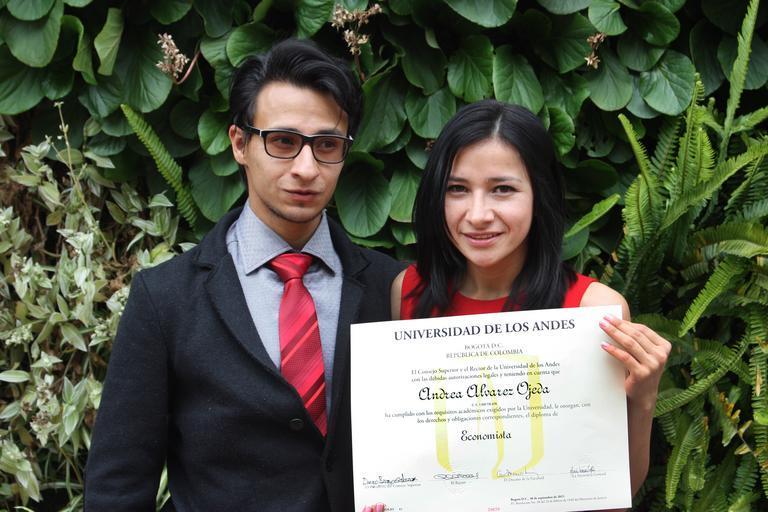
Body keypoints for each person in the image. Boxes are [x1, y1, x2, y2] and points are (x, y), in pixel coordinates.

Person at [85, 39, 403, 511]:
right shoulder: (165, 298)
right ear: (239, 143)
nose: (306, 168)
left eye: (327, 145)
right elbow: (118, 484)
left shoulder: (391, 288)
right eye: (283, 141)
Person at [390, 100, 671, 502]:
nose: (478, 214)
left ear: (541, 193)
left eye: (502, 189)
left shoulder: (592, 310)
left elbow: (612, 489)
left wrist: (644, 398)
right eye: (457, 189)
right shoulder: (408, 291)